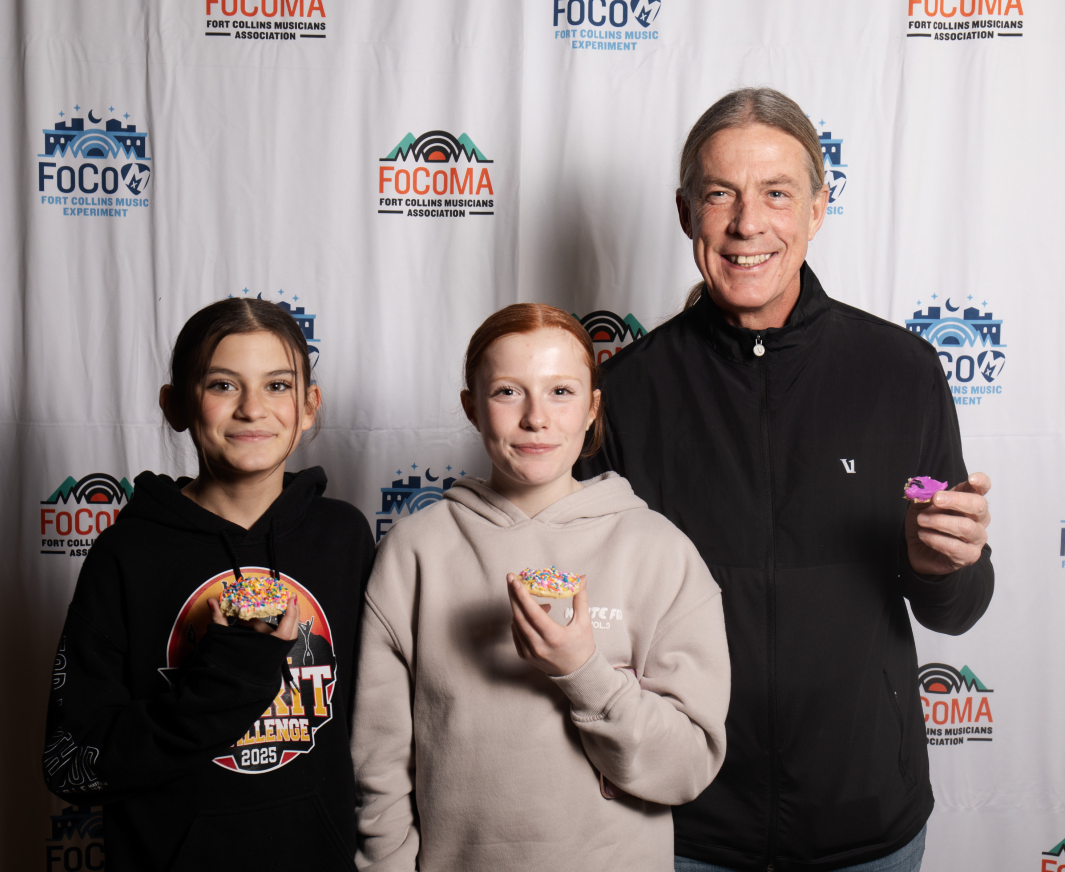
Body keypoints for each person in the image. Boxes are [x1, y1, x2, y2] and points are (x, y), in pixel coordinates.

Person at [577, 88, 994, 872]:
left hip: (865, 825)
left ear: (817, 209)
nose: (748, 224)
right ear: (685, 213)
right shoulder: (628, 390)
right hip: (682, 825)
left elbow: (960, 609)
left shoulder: (899, 371)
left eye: (776, 193)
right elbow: (591, 613)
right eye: (720, 195)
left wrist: (945, 566)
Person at [351, 303, 731, 872]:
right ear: (472, 407)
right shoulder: (415, 551)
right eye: (508, 392)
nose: (536, 418)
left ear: (592, 408)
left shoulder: (660, 551)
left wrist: (585, 673)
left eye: (560, 392)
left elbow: (687, 767)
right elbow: (379, 764)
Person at [42, 298, 375, 871]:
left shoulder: (343, 537)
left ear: (308, 407)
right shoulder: (128, 553)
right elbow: (70, 765)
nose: (252, 409)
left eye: (277, 385)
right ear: (176, 405)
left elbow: (383, 728)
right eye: (223, 384)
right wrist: (228, 681)